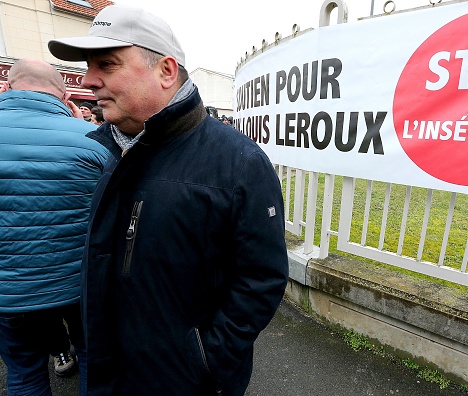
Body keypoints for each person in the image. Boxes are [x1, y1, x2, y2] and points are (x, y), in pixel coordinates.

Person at [48, 5, 289, 396]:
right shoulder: (117, 148)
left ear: (166, 71)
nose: (89, 80)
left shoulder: (239, 162)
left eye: (106, 65)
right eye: (89, 66)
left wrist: (205, 358)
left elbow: (262, 278)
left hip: (186, 382)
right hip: (110, 374)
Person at [0, 59, 110, 395]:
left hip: (9, 290)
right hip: (78, 285)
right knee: (94, 358)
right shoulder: (94, 138)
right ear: (65, 97)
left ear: (6, 87)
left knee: (23, 372)